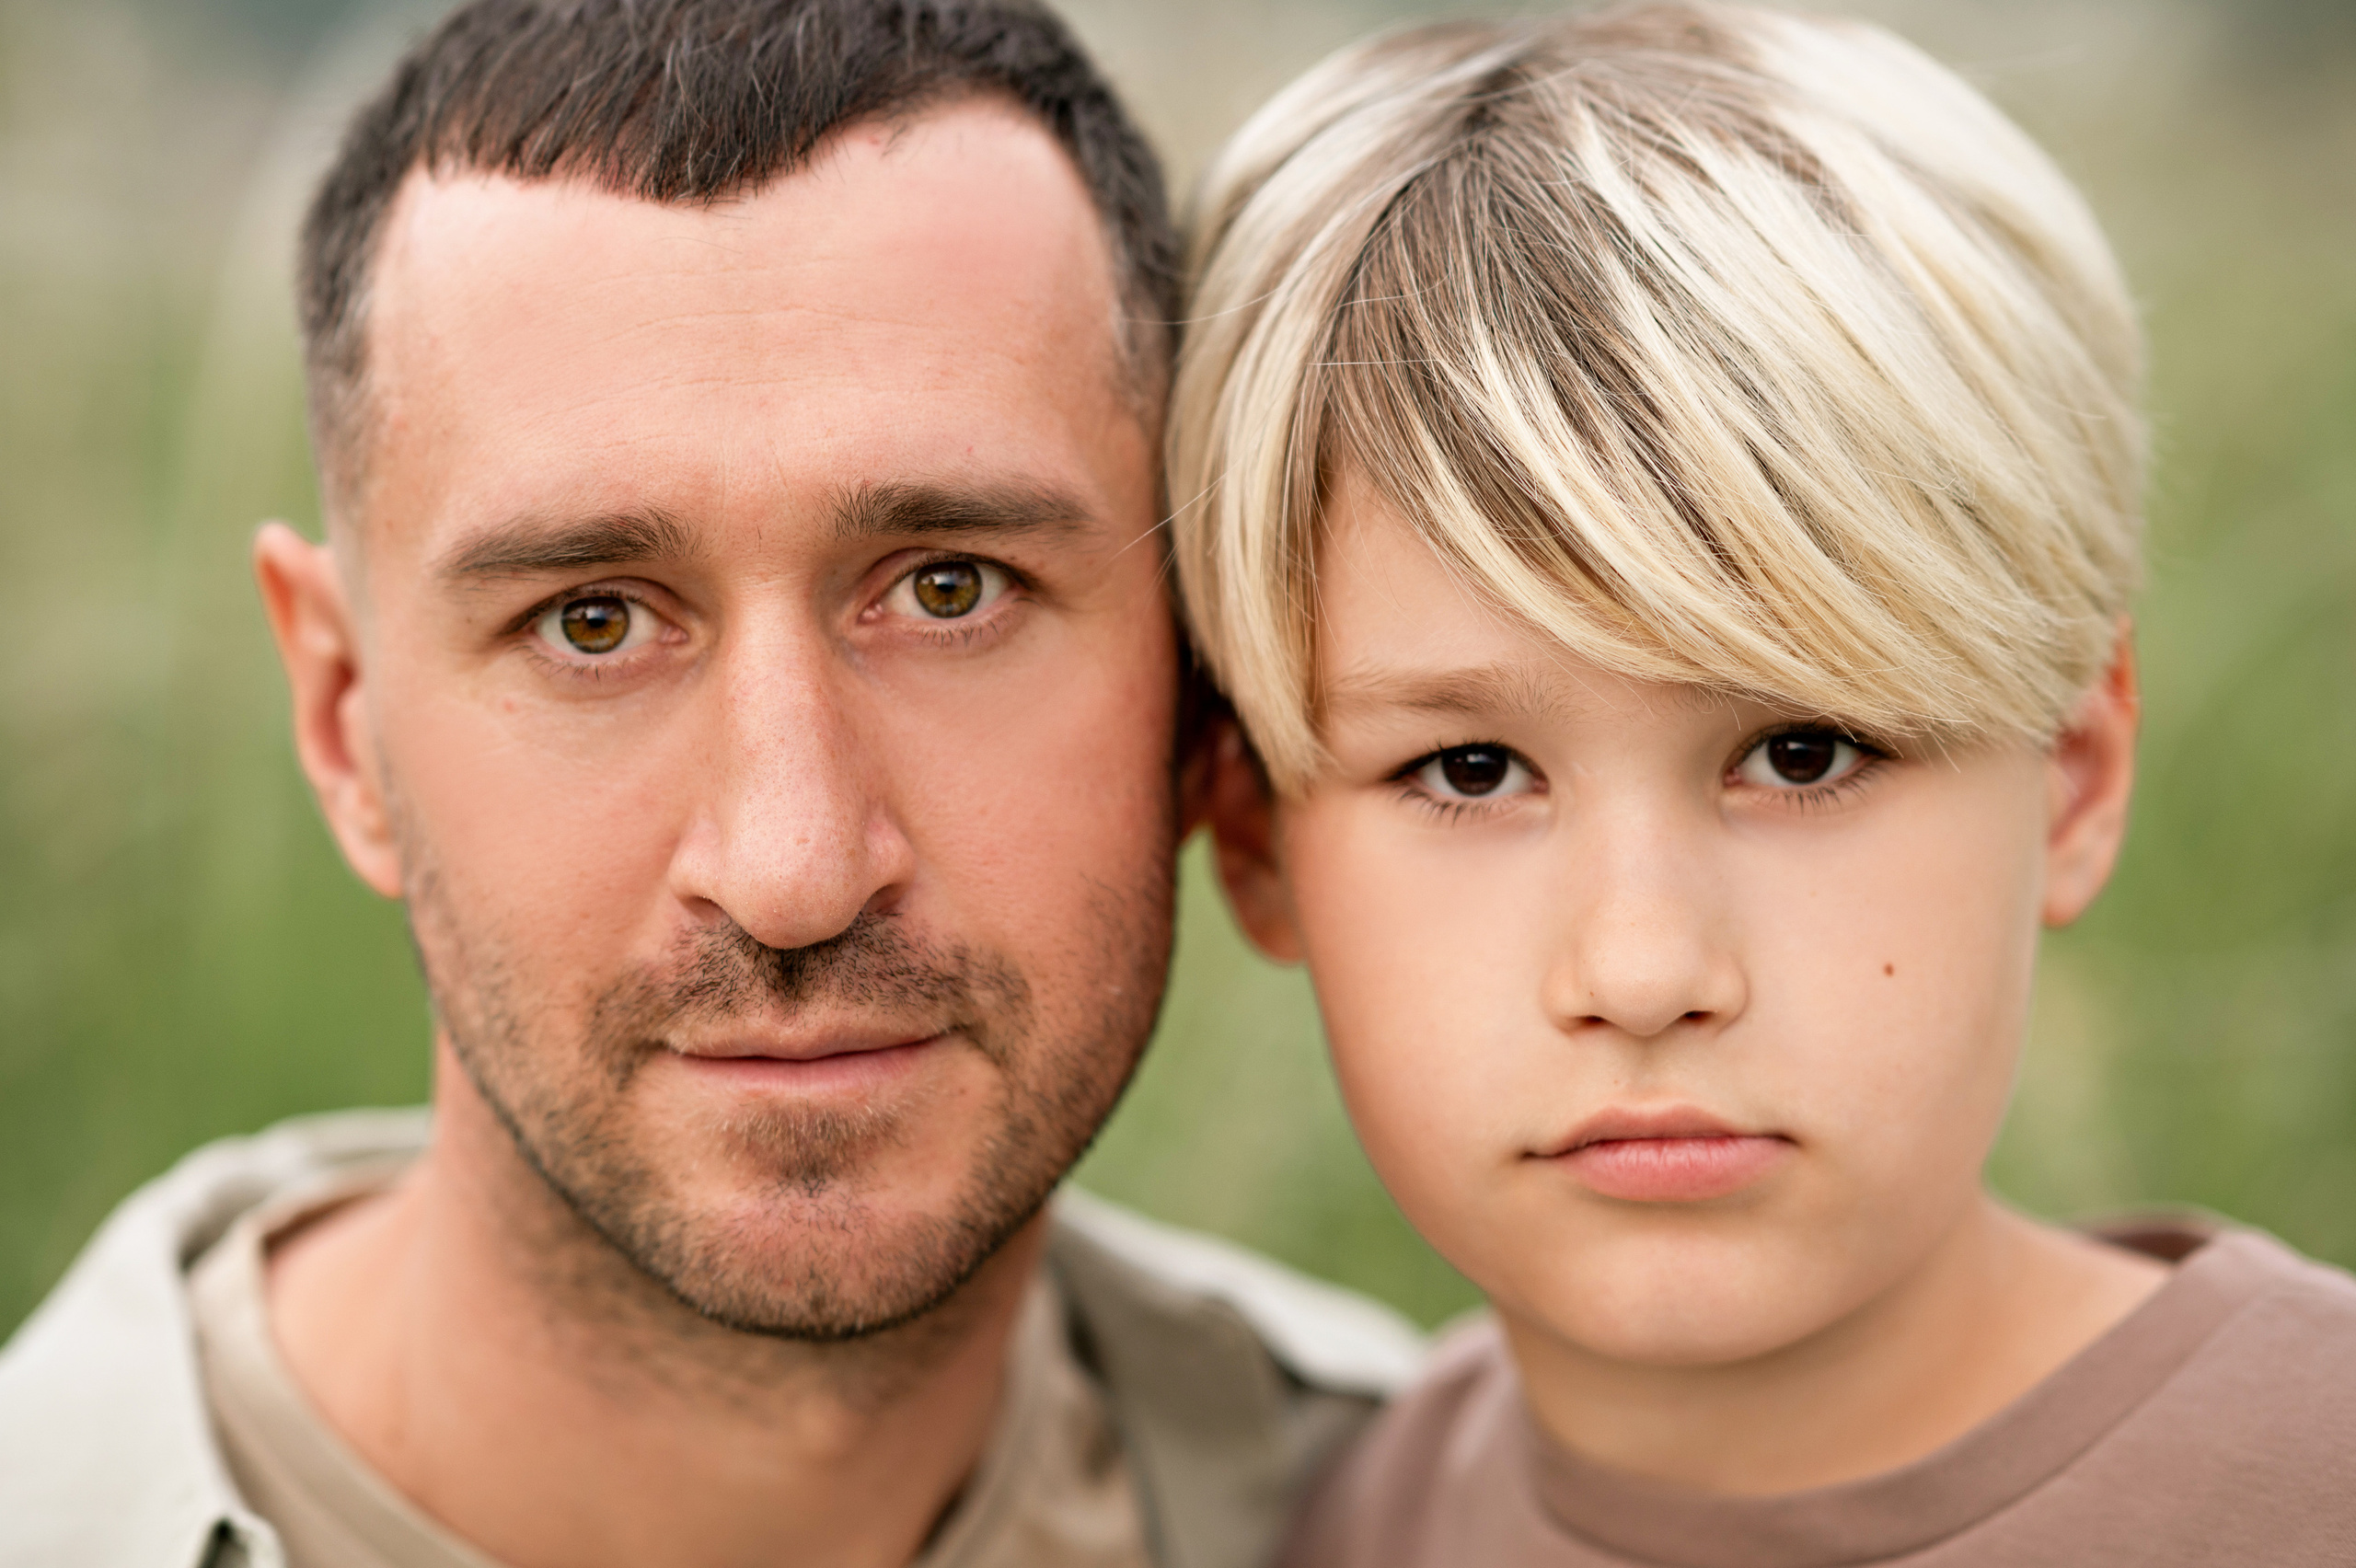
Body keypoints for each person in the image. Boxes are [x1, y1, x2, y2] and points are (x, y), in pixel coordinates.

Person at [0, 3, 1425, 1565]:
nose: (795, 867)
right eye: (591, 622)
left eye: (951, 588)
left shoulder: (1429, 1515)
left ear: (1201, 689)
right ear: (347, 726)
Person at [1167, 4, 2356, 1564]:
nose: (1646, 970)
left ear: (2072, 776)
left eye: (1803, 753)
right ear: (1255, 841)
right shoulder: (1326, 1525)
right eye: (1471, 768)